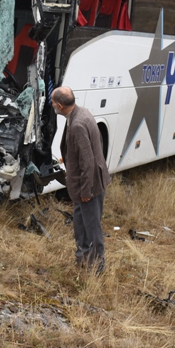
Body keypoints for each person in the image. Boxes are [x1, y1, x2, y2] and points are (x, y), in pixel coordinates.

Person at [53, 86, 110, 274]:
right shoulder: (81, 112)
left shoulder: (77, 124)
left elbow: (88, 162)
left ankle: (96, 268)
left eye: (53, 102)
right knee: (80, 223)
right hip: (84, 184)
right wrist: (68, 158)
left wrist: (86, 191)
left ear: (60, 105)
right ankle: (82, 257)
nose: (52, 105)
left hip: (89, 185)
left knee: (92, 227)